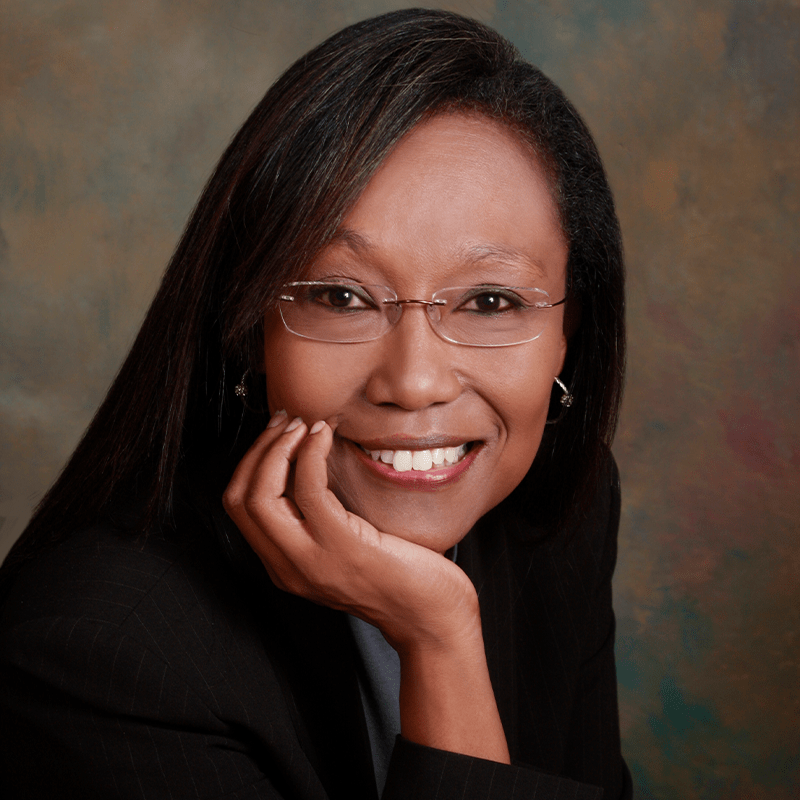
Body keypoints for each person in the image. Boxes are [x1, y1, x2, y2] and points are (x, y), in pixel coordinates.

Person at [0, 9, 630, 799]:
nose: (414, 380)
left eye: (492, 301)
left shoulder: (557, 508)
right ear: (247, 331)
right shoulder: (99, 654)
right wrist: (439, 640)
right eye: (340, 296)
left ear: (570, 332)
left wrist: (440, 636)